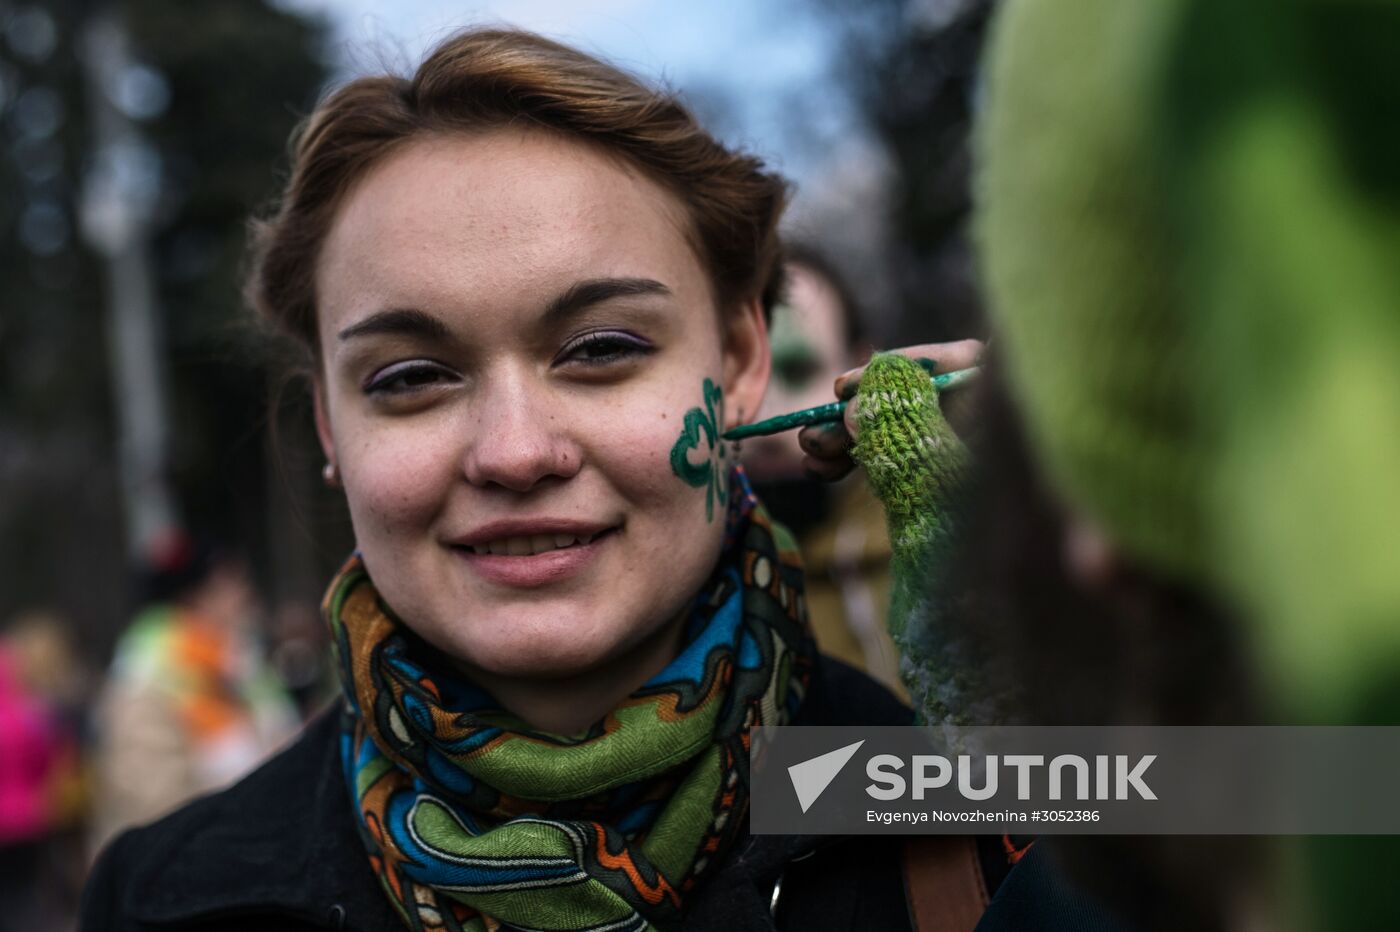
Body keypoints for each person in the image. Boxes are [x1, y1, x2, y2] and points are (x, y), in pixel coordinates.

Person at [81, 29, 1117, 932]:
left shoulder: (968, 810)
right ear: (329, 425)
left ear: (740, 361)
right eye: (409, 376)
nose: (514, 449)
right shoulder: (169, 894)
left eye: (601, 347)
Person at [88, 532, 299, 854]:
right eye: (233, 583)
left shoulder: (237, 668)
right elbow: (160, 814)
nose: (247, 595)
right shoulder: (146, 679)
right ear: (197, 597)